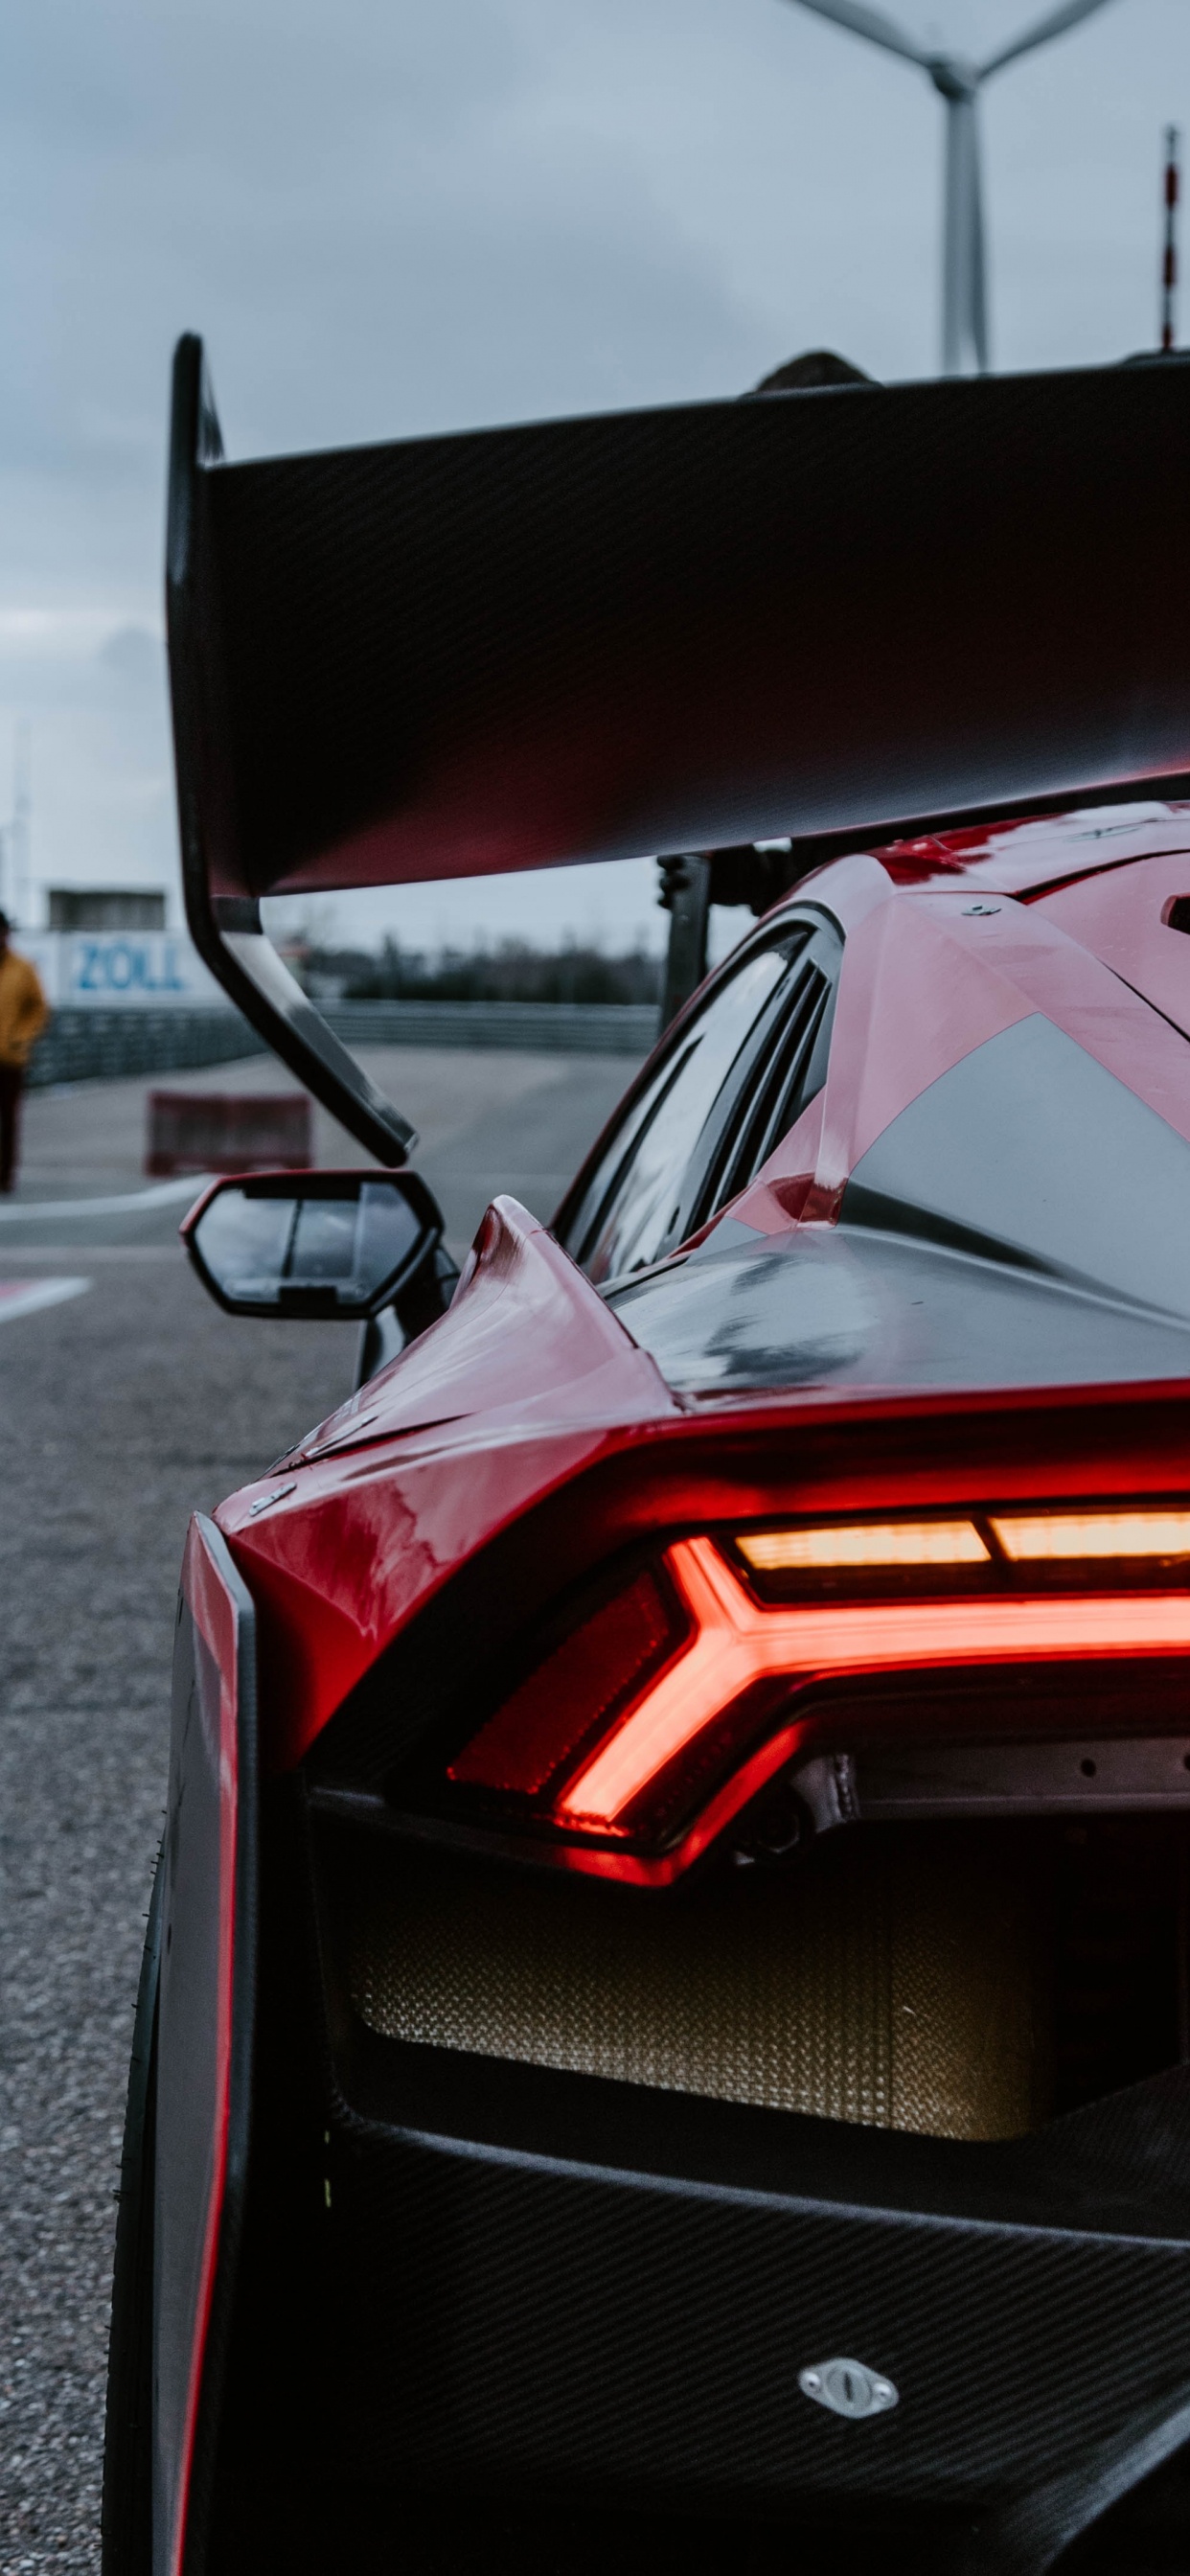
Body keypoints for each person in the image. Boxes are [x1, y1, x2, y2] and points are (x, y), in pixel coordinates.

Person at [0, 911, 50, 1192]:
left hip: (9, 1058)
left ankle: (5, 1175)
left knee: (8, 1120)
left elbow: (38, 1008)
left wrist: (21, 1038)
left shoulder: (22, 968)